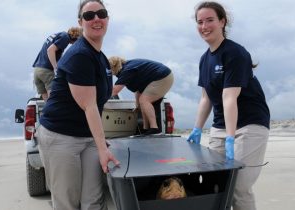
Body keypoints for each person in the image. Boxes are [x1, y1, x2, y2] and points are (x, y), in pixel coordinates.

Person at [35, 1, 119, 210]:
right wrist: (103, 148)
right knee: (67, 203)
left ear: (107, 18)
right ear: (81, 22)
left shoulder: (100, 57)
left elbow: (101, 101)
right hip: (60, 136)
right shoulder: (80, 54)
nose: (96, 19)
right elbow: (89, 106)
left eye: (101, 13)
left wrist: (99, 142)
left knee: (93, 200)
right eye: (89, 16)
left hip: (87, 137)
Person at [187, 2, 270, 210]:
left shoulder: (235, 53)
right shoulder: (204, 59)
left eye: (210, 20)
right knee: (215, 185)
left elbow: (229, 97)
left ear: (222, 22)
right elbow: (206, 98)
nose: (204, 26)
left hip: (249, 125)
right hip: (220, 126)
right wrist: (197, 129)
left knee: (239, 187)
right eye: (200, 22)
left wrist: (231, 137)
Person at [108, 56, 174, 135]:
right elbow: (138, 91)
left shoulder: (127, 70)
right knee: (142, 102)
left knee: (144, 100)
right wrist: (137, 105)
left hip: (163, 76)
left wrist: (99, 98)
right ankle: (145, 129)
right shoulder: (128, 67)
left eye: (109, 69)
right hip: (163, 75)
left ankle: (155, 128)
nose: (108, 71)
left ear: (114, 66)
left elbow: (114, 91)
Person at [32, 26, 82, 101]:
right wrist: (55, 68)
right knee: (53, 99)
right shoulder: (65, 37)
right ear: (77, 36)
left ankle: (48, 112)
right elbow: (50, 50)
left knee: (47, 103)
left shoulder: (58, 35)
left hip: (37, 70)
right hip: (46, 71)